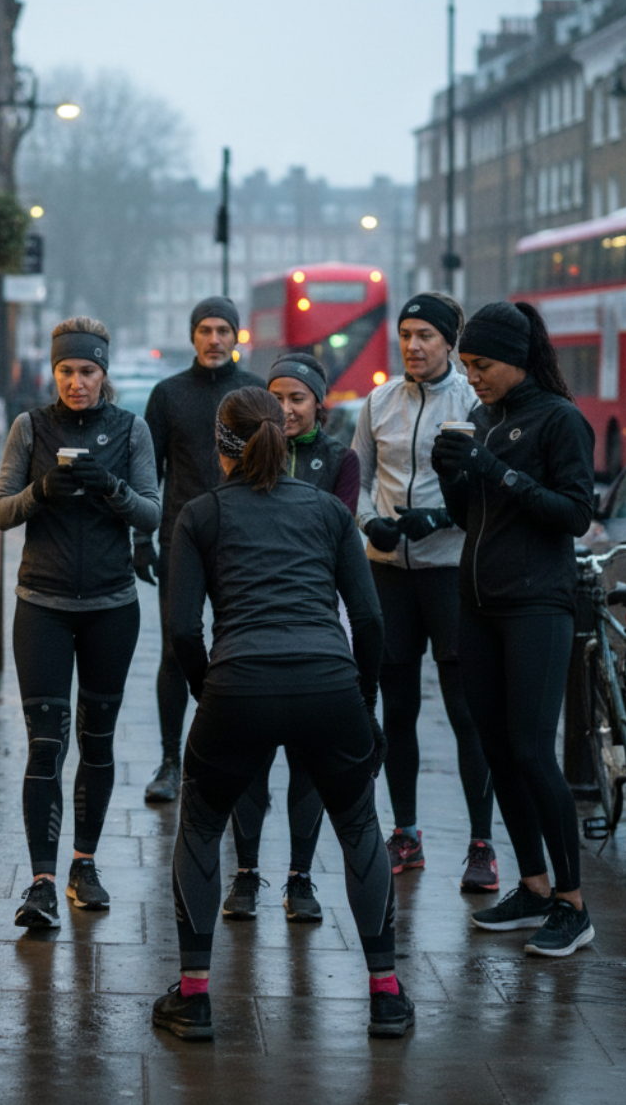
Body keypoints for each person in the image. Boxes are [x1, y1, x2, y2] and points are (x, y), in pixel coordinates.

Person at [153, 388, 411, 1042]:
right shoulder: (328, 510)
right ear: (284, 439)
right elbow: (372, 619)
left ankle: (194, 998)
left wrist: (207, 688)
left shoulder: (200, 514)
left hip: (238, 686)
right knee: (359, 828)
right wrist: (365, 701)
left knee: (202, 828)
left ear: (222, 446)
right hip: (329, 686)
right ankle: (385, 995)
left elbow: (182, 628)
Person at [432, 301, 596, 957]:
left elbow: (575, 514)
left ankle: (573, 903)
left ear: (518, 359)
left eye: (482, 365)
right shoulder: (480, 417)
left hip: (537, 607)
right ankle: (531, 885)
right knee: (498, 751)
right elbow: (471, 516)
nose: (472, 377)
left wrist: (497, 470)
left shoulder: (560, 420)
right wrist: (453, 477)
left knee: (532, 750)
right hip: (478, 605)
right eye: (467, 366)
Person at [0, 317, 161, 927]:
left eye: (87, 371)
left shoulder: (131, 429)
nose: (76, 382)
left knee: (96, 741)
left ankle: (83, 865)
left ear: (104, 373)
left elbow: (152, 513)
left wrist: (110, 487)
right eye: (66, 371)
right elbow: (1, 512)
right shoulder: (29, 427)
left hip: (112, 608)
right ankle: (40, 881)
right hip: (41, 602)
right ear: (54, 371)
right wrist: (43, 489)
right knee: (46, 742)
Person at [353, 291, 497, 891]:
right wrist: (370, 522)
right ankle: (406, 833)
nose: (413, 346)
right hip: (388, 571)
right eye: (406, 334)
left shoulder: (472, 403)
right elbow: (354, 478)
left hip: (449, 572)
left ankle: (482, 845)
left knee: (468, 711)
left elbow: (487, 492)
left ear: (449, 343)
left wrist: (443, 519)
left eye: (426, 336)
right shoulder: (379, 400)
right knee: (399, 709)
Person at [222, 352, 361, 924]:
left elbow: (341, 539)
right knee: (248, 763)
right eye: (275, 398)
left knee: (308, 763)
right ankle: (247, 874)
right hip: (250, 627)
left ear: (318, 405)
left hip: (314, 628)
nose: (284, 409)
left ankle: (300, 877)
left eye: (297, 398)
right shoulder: (242, 458)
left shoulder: (339, 460)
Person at [134, 297, 263, 804]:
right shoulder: (167, 395)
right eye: (205, 330)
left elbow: (272, 464)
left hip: (243, 538)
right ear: (192, 336)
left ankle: (239, 760)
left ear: (237, 337)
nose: (214, 340)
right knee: (176, 647)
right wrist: (141, 538)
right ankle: (170, 761)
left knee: (243, 650)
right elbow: (149, 473)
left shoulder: (254, 392)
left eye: (223, 331)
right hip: (181, 537)